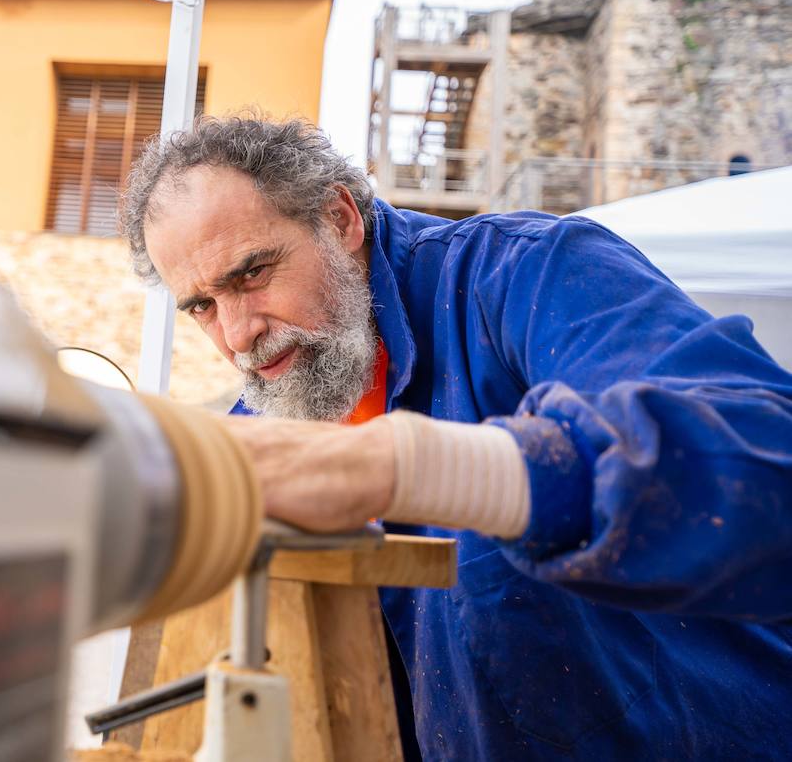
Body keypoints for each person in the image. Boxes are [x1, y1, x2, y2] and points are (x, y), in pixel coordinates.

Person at [120, 115, 792, 760]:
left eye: (253, 274)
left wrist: (413, 468)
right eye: (203, 307)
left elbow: (766, 461)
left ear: (340, 218)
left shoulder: (529, 276)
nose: (238, 336)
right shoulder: (262, 426)